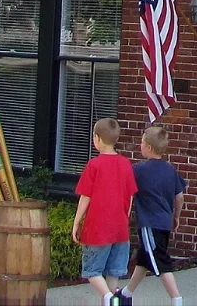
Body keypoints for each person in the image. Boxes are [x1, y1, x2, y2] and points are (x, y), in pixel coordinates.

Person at [72, 117, 138, 306]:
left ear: (97, 138)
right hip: (120, 229)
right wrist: (124, 217)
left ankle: (109, 299)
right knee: (113, 274)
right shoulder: (126, 164)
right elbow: (131, 195)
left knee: (92, 271)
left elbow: (86, 197)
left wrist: (77, 222)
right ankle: (113, 301)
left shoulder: (94, 165)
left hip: (97, 229)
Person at [122, 124, 187, 306]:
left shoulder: (137, 170)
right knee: (145, 258)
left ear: (149, 147)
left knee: (159, 260)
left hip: (149, 224)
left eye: (142, 142)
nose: (139, 145)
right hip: (165, 223)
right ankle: (126, 294)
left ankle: (177, 299)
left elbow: (127, 193)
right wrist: (176, 216)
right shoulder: (170, 169)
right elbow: (179, 196)